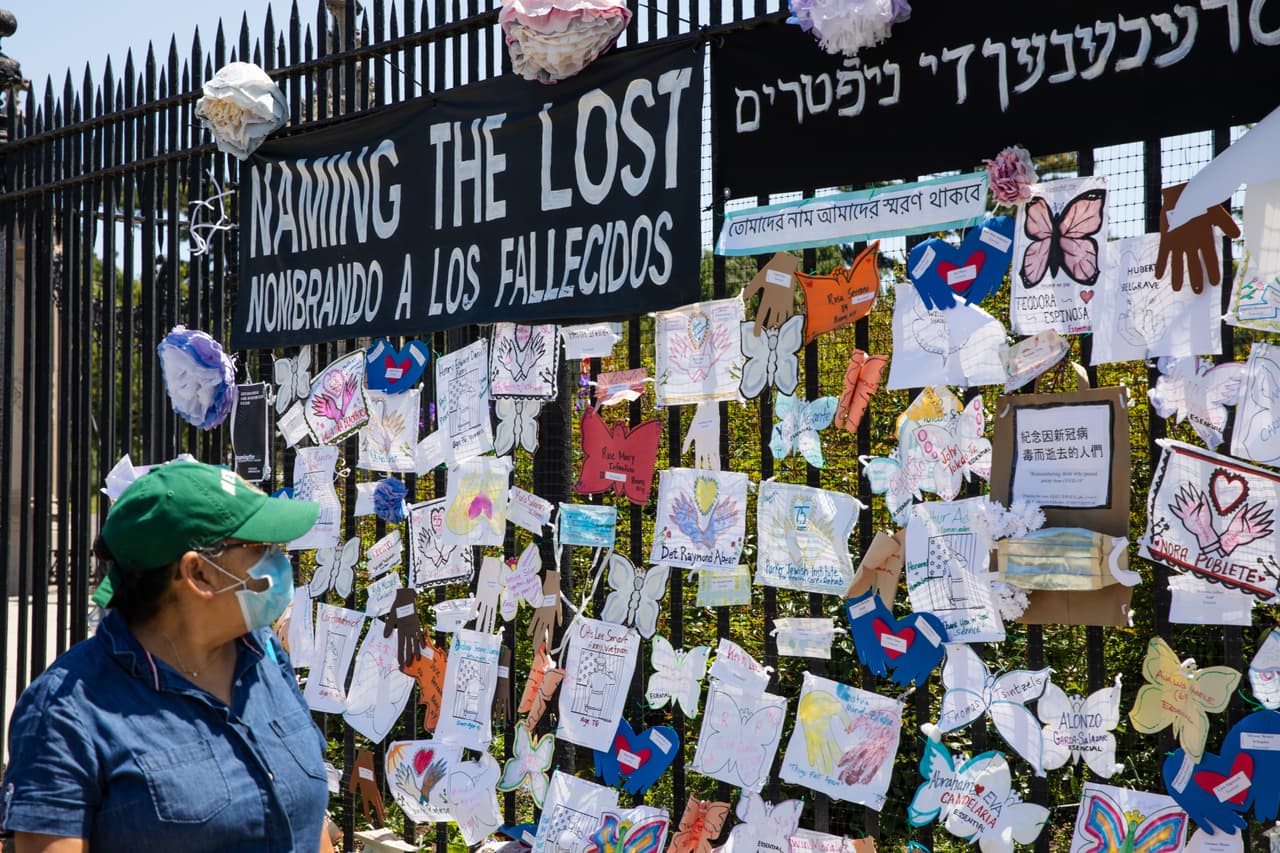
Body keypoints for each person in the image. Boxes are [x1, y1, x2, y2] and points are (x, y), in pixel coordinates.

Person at [0, 461, 334, 853]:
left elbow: (309, 827)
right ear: (199, 573)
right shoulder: (66, 711)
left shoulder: (265, 657)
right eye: (260, 547)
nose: (279, 560)